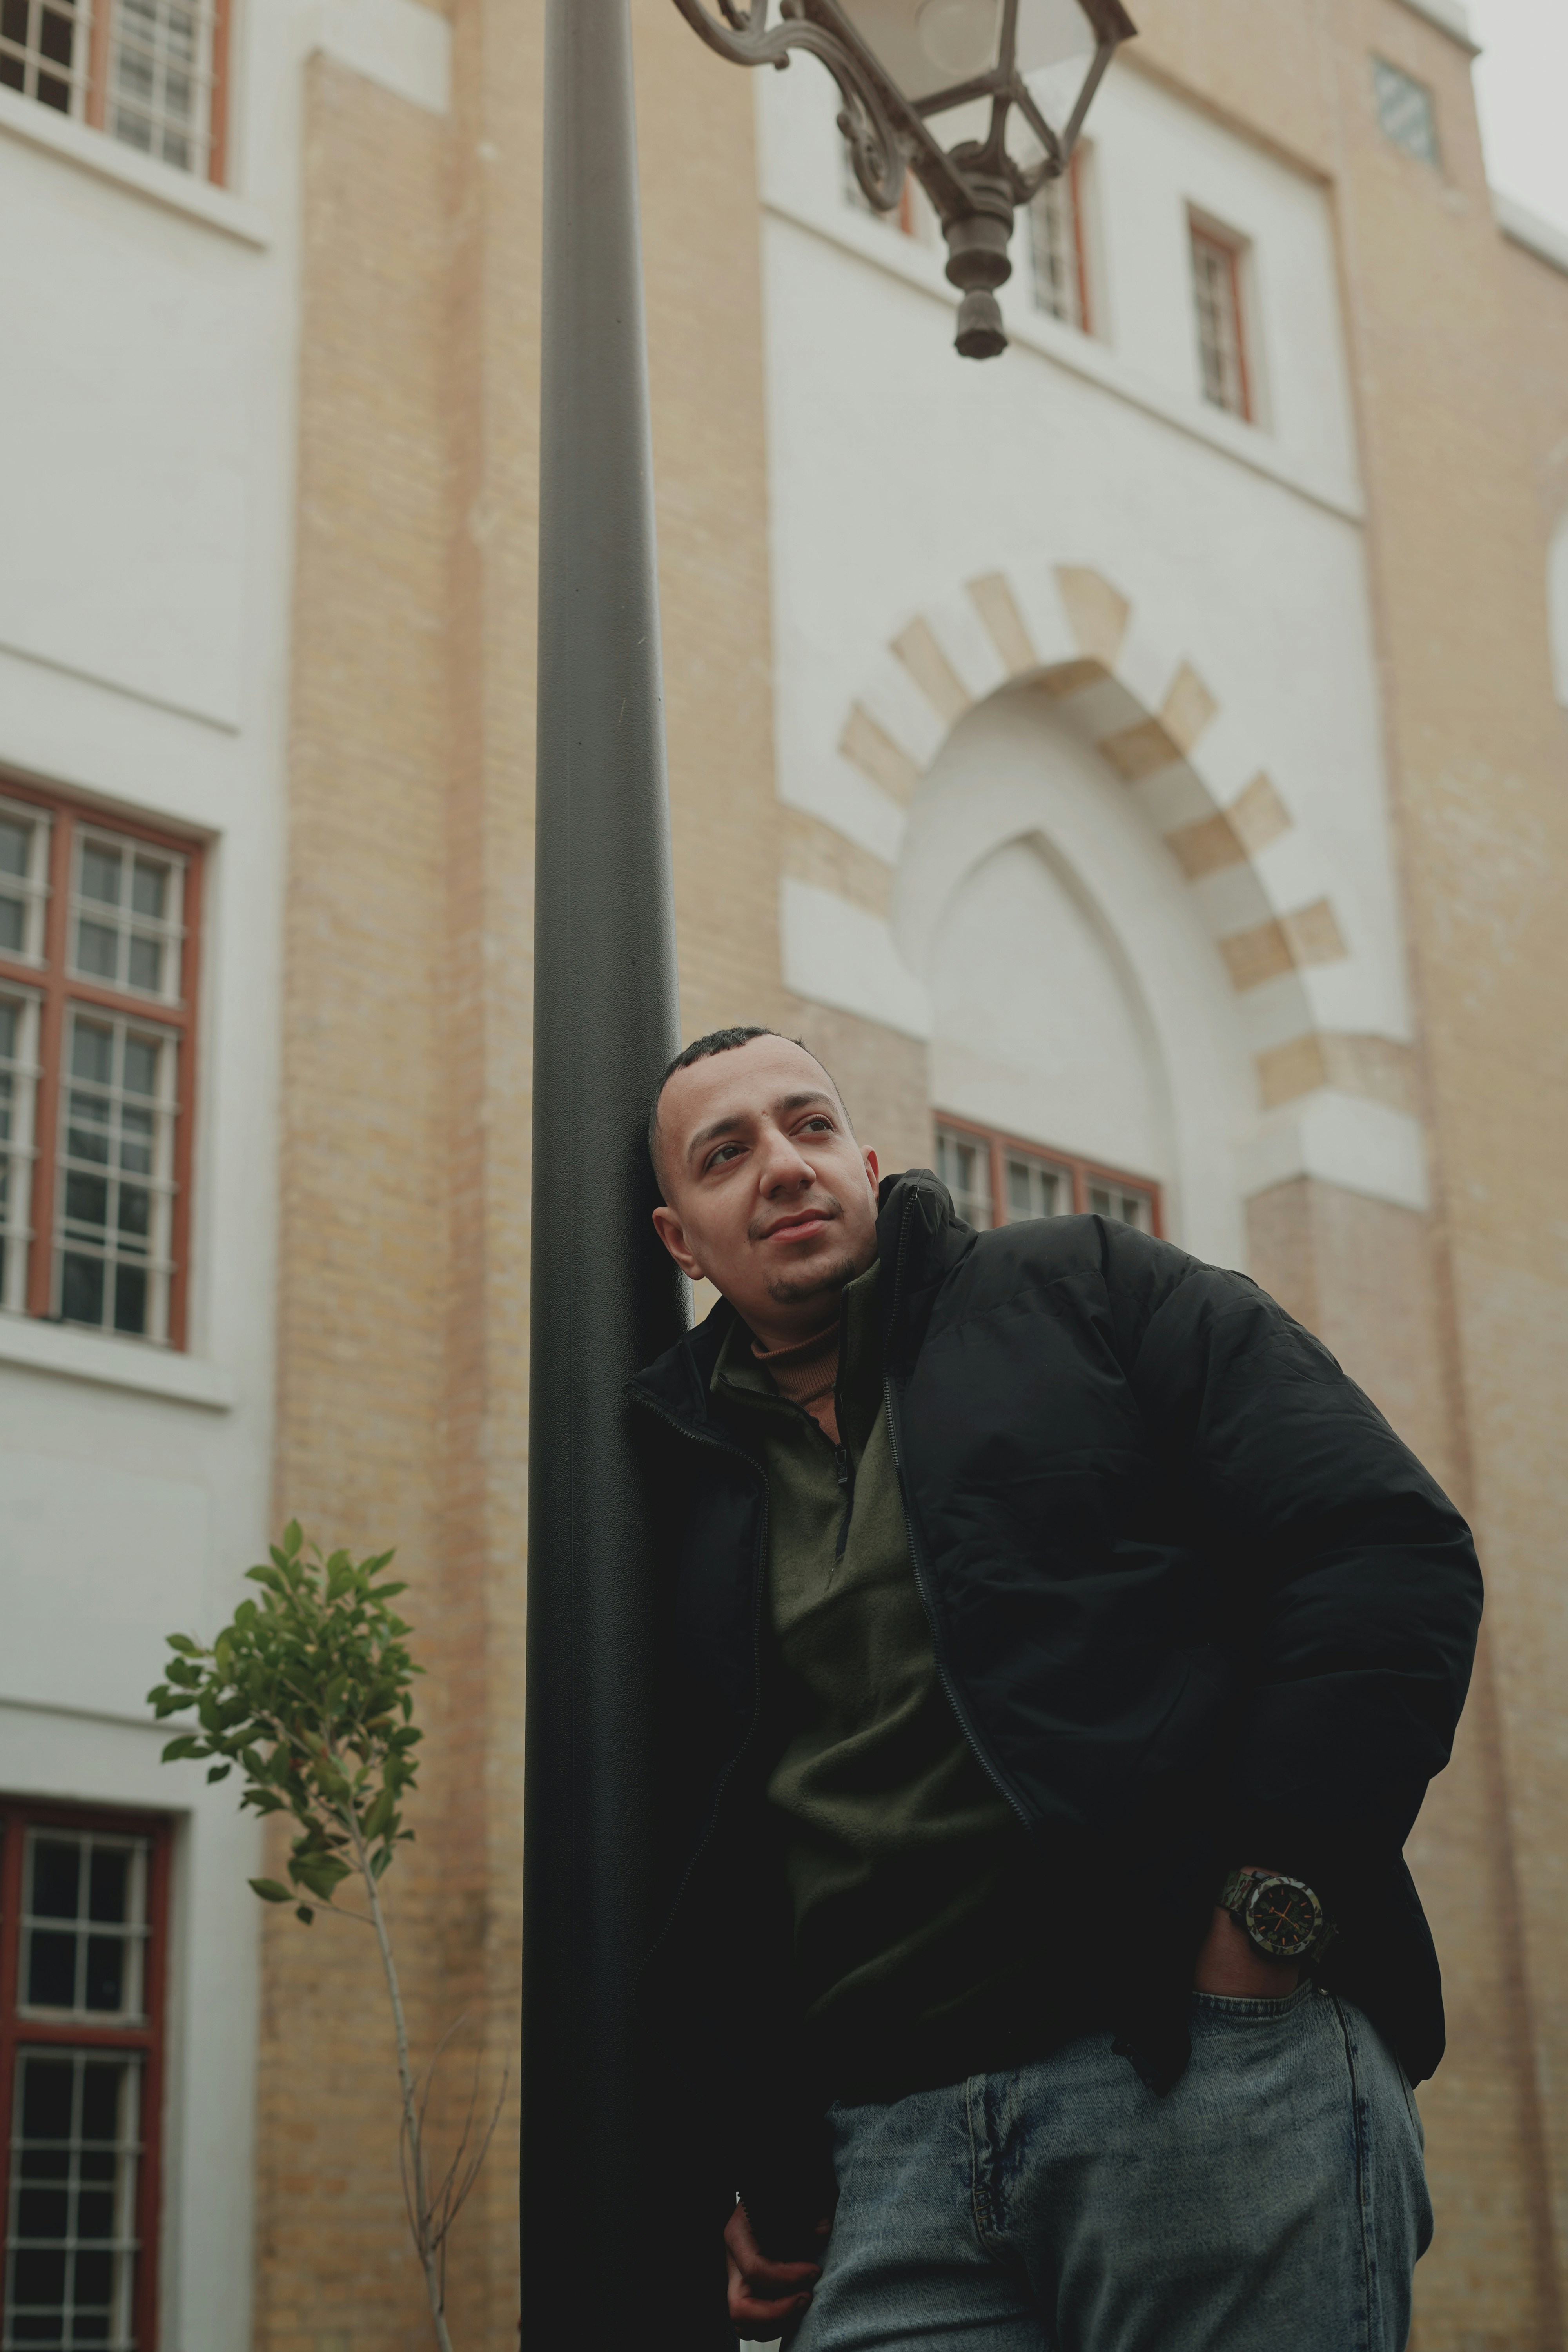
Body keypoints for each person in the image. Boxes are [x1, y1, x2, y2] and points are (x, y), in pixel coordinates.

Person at [630, 1025, 1481, 2351]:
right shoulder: (670, 1472)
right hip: (888, 2163)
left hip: (1194, 2073)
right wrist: (765, 2155)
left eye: (806, 1128)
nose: (782, 1168)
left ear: (865, 1159)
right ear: (682, 1240)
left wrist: (1266, 1920)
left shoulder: (1084, 1289)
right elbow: (699, 1843)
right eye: (726, 1153)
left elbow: (1380, 1549)